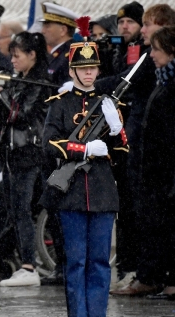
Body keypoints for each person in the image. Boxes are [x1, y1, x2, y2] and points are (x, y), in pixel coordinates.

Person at [40, 31, 129, 317]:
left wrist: (116, 131)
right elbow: (49, 143)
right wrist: (84, 150)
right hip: (73, 191)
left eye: (94, 67)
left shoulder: (107, 104)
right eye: (84, 67)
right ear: (73, 70)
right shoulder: (60, 104)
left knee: (100, 261)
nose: (90, 72)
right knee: (76, 260)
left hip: (103, 191)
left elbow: (121, 152)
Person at [95, 4, 175, 290]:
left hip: (157, 159)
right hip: (146, 153)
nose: (139, 31)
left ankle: (151, 274)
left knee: (154, 217)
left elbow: (127, 83)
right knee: (142, 214)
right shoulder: (155, 72)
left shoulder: (160, 75)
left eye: (144, 24)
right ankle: (144, 272)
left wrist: (91, 85)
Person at [0, 32, 51, 287]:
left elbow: (20, 114)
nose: (12, 60)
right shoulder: (18, 80)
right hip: (11, 153)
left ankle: (28, 265)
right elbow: (4, 117)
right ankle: (25, 263)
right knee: (15, 210)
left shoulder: (40, 83)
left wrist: (0, 94)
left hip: (29, 153)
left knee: (23, 210)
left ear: (32, 55)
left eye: (17, 55)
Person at [37, 2, 78, 286]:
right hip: (50, 137)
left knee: (61, 205)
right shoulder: (52, 58)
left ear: (62, 28)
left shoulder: (68, 58)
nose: (42, 30)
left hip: (63, 142)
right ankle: (62, 263)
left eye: (47, 25)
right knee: (52, 206)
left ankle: (66, 264)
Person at [39, 2, 78, 86]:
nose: (42, 31)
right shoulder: (58, 53)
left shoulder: (73, 54)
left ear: (63, 30)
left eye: (47, 26)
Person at [113, 2, 144, 74]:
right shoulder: (117, 49)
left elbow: (126, 77)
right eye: (121, 22)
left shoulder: (147, 50)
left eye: (130, 22)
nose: (124, 26)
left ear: (141, 25)